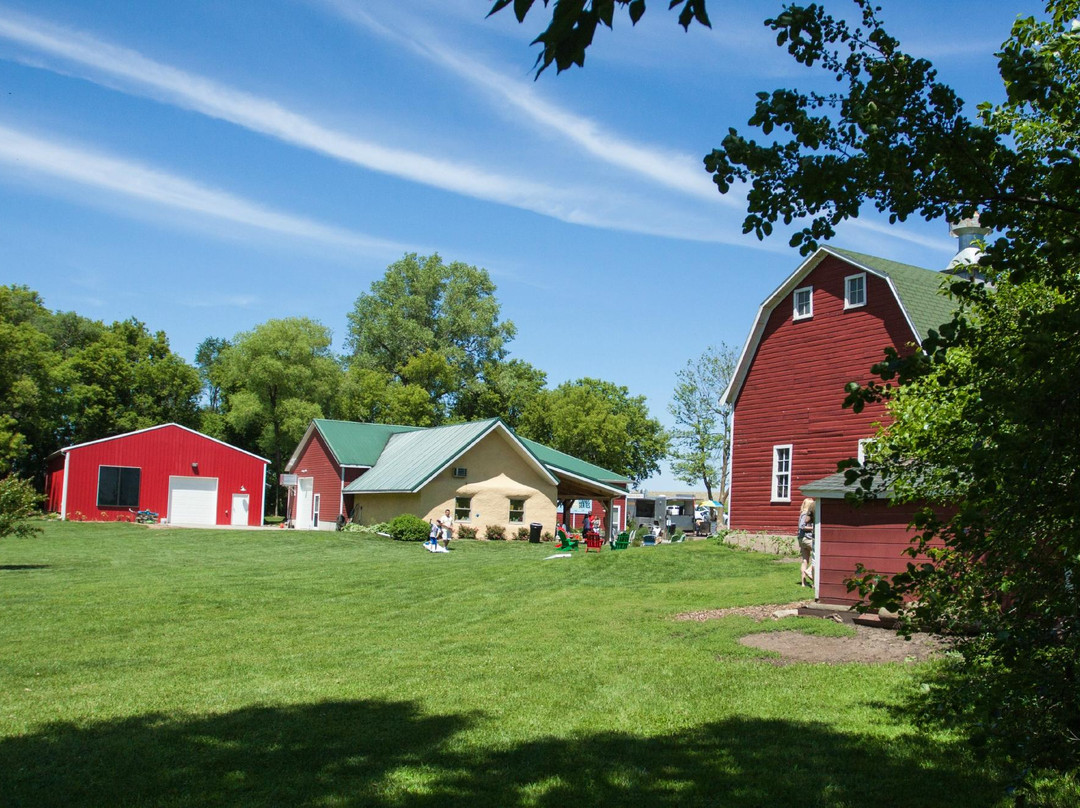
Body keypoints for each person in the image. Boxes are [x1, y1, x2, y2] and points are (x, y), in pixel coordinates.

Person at [797, 497, 815, 586]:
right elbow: (802, 526)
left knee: (805, 560)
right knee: (818, 555)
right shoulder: (805, 514)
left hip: (801, 539)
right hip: (807, 538)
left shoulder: (801, 513)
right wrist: (814, 528)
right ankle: (809, 571)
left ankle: (803, 583)